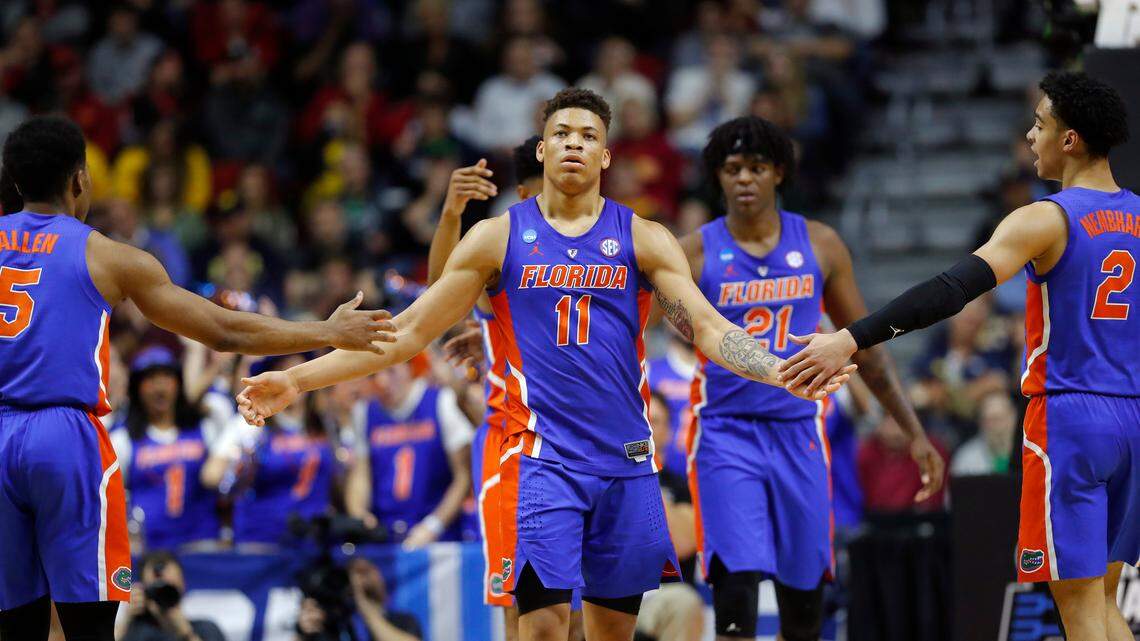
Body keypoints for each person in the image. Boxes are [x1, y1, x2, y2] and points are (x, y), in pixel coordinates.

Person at [237, 87, 854, 641]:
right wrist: (295, 377)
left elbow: (712, 331)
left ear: (607, 156)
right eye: (562, 134)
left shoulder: (644, 237)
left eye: (589, 136)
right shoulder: (497, 238)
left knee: (614, 632)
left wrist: (782, 369)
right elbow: (406, 333)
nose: (575, 145)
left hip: (626, 463)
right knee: (538, 629)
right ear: (542, 149)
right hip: (543, 460)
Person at [0, 115, 393, 641]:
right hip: (63, 434)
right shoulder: (105, 254)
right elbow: (224, 330)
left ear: (15, 181)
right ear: (80, 180)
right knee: (88, 623)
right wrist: (326, 329)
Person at [780, 71, 1134, 641]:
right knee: (1104, 598)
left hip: (1072, 414)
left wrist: (851, 337)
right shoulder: (1139, 217)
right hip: (1132, 418)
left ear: (1069, 140)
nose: (1029, 135)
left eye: (1040, 125)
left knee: (1079, 604)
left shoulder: (1048, 216)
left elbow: (951, 288)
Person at [678, 115, 944, 641]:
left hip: (801, 431)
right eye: (733, 168)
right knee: (737, 594)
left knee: (806, 607)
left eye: (756, 167)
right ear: (718, 176)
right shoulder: (694, 251)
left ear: (779, 172)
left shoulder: (820, 244)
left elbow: (866, 349)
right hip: (725, 433)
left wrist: (914, 433)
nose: (745, 179)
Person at [110, 347, 225, 553]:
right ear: (136, 389)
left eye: (166, 377)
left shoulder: (205, 428)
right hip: (149, 550)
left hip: (203, 545)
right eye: (151, 379)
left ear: (179, 384)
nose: (160, 387)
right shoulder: (122, 440)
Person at [346, 360, 473, 546]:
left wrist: (433, 526)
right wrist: (359, 515)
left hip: (439, 537)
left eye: (391, 370)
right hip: (384, 535)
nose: (382, 381)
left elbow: (464, 476)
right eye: (373, 374)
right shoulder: (364, 412)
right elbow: (360, 473)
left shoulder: (441, 401)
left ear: (409, 367)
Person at [119, 552, 225, 641]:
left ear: (183, 585)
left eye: (169, 589)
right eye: (155, 589)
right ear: (144, 591)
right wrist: (126, 619)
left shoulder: (206, 630)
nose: (163, 595)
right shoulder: (133, 632)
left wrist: (187, 634)